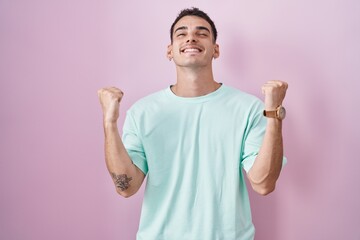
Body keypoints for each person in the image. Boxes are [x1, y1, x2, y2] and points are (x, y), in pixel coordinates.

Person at [97, 7, 288, 240]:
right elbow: (126, 187)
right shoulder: (143, 112)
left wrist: (274, 114)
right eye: (181, 33)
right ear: (169, 51)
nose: (191, 37)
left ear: (216, 50)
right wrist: (109, 123)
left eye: (202, 33)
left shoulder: (248, 108)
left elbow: (264, 183)